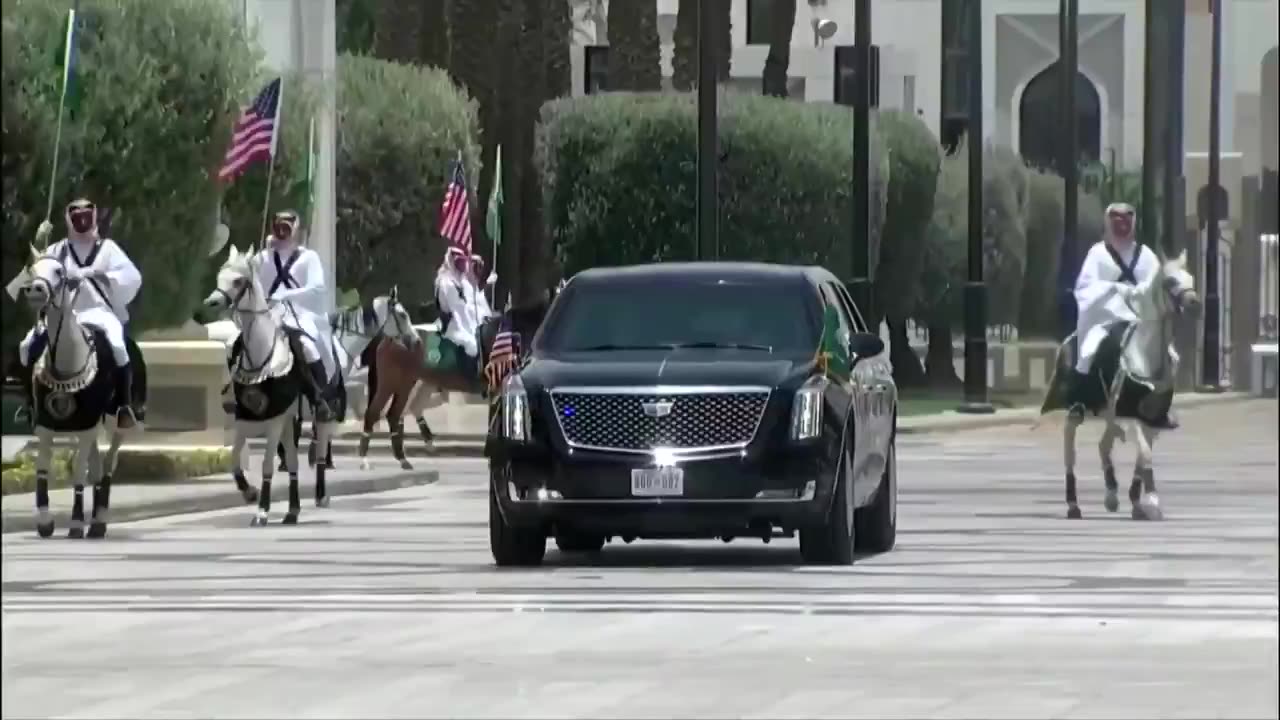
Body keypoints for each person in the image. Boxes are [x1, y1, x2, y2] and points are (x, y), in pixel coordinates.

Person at [18, 198, 143, 428]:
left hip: (99, 312)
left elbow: (132, 278)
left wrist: (99, 275)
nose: (82, 219)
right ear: (68, 219)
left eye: (87, 214)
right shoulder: (56, 249)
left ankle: (124, 405)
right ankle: (29, 404)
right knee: (26, 346)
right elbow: (34, 276)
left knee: (117, 345)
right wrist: (38, 242)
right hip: (64, 313)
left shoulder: (108, 248)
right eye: (76, 215)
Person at [1067, 202, 1160, 421]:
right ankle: (1081, 401)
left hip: (1139, 317)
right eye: (1116, 219)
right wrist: (1115, 289)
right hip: (1106, 317)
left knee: (1167, 354)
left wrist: (1142, 291)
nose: (1121, 224)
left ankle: (1161, 404)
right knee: (1091, 350)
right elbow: (1085, 287)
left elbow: (1157, 281)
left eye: (1126, 218)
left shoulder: (1145, 255)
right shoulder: (1097, 254)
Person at [248, 209, 338, 421]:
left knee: (305, 346)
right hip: (266, 314)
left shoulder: (309, 258)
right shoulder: (261, 258)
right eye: (279, 225)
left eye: (287, 226)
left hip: (298, 314)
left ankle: (318, 398)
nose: (282, 230)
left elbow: (317, 287)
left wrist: (285, 295)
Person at [434, 246, 484, 380]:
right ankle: (468, 379)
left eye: (463, 262)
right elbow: (458, 309)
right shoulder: (447, 283)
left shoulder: (460, 281)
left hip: (462, 320)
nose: (463, 265)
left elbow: (471, 304)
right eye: (459, 262)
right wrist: (473, 328)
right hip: (452, 325)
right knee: (472, 345)